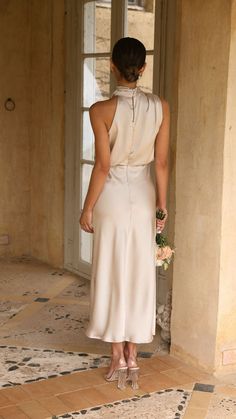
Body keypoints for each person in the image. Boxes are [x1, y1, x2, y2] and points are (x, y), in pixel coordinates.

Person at [79, 37, 170, 390]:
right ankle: (134, 354)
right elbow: (161, 163)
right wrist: (162, 205)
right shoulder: (161, 106)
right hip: (145, 195)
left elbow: (102, 167)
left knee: (112, 270)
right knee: (139, 272)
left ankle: (117, 353)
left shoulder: (100, 110)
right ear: (142, 68)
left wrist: (87, 208)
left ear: (112, 66)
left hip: (113, 198)